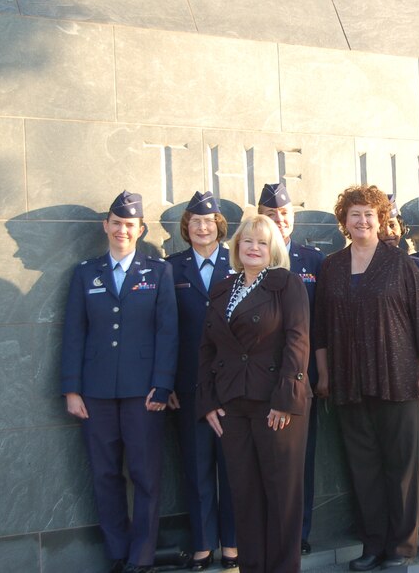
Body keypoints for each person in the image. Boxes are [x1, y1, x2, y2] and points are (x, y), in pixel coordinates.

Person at [314, 186, 419, 571]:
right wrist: (323, 373)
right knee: (363, 468)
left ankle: (400, 548)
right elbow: (320, 326)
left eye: (370, 214)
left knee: (400, 467)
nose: (363, 221)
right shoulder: (331, 265)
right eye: (355, 214)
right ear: (344, 221)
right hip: (349, 380)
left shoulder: (400, 263)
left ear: (381, 219)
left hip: (397, 378)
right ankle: (373, 545)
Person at [61, 191, 178, 573]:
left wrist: (162, 385)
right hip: (95, 394)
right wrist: (72, 389)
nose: (122, 230)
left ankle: (141, 557)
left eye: (130, 225)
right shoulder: (85, 272)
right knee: (105, 475)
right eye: (116, 223)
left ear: (140, 229)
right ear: (106, 226)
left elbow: (167, 333)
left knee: (145, 476)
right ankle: (116, 552)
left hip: (143, 393)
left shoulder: (158, 271)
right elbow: (74, 333)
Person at [197, 214, 311, 573]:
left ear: (273, 248)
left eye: (262, 242)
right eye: (248, 241)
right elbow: (207, 349)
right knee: (244, 495)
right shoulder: (222, 288)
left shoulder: (286, 284)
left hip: (275, 403)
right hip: (232, 404)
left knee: (281, 496)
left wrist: (285, 399)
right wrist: (208, 403)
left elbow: (298, 341)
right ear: (237, 246)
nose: (254, 248)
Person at [166, 192, 237, 570]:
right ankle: (202, 543)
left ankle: (232, 542)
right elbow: (165, 331)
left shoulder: (237, 263)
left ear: (219, 226)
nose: (202, 227)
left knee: (232, 467)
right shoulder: (171, 268)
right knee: (196, 470)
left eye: (208, 221)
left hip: (231, 385)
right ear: (186, 228)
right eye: (194, 221)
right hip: (189, 387)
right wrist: (168, 383)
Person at [258, 183, 325, 553]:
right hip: (259, 378)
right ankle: (269, 530)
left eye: (284, 215)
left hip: (301, 379)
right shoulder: (253, 258)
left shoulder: (312, 260)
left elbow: (323, 324)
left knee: (301, 459)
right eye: (270, 216)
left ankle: (298, 533)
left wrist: (323, 373)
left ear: (292, 218)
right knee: (261, 458)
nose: (278, 222)